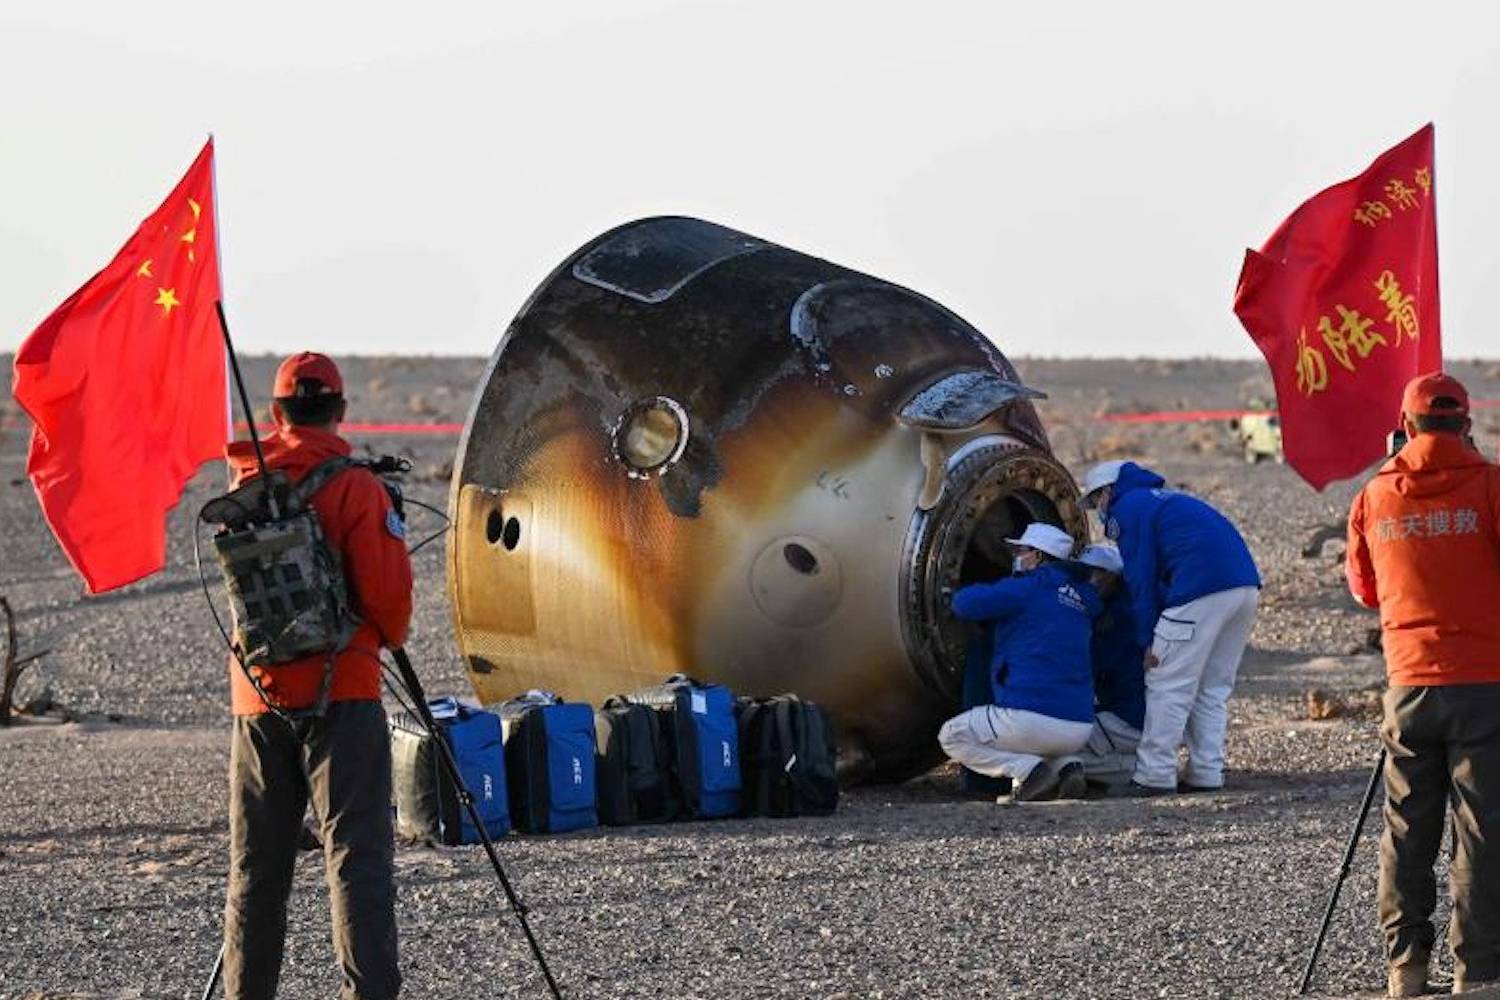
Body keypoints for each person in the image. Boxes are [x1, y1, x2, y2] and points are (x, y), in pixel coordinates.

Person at [221, 353, 413, 1000]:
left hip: (257, 695)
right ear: (339, 410)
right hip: (345, 691)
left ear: (276, 414)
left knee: (256, 872)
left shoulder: (244, 483)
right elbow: (389, 610)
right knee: (358, 861)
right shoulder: (356, 488)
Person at [1346, 372, 1500, 998]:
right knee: (1483, 829)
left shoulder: (1374, 495)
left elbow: (1364, 590)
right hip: (1486, 681)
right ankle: (1480, 972)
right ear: (1465, 423)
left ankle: (1405, 967)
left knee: (1408, 827)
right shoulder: (1490, 486)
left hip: (1408, 681)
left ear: (1406, 427)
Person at [1079, 459, 1260, 797]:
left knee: (1167, 683)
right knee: (1212, 687)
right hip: (1245, 588)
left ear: (1107, 491)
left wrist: (1146, 638)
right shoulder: (1166, 499)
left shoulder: (1127, 509)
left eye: (1095, 501)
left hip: (1199, 590)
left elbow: (1140, 578)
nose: (1097, 510)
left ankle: (1154, 775)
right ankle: (1207, 772)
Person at [937, 522, 1101, 802]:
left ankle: (1027, 771)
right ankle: (1066, 767)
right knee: (1035, 737)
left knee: (952, 735)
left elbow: (966, 604)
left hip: (1030, 720)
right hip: (1080, 727)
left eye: (1022, 551)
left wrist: (954, 593)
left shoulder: (1026, 588)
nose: (1017, 557)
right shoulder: (1085, 599)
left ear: (1038, 556)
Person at [1074, 543, 1145, 787]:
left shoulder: (1118, 618)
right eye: (1083, 574)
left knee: (1055, 752)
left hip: (1128, 718)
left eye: (1095, 573)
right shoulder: (1123, 607)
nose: (1088, 581)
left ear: (1113, 577)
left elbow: (1097, 666)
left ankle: (1135, 769)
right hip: (1136, 717)